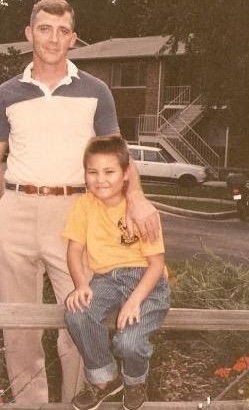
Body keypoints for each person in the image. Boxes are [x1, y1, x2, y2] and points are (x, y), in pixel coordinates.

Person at [0, 0, 160, 404]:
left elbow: (119, 157)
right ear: (30, 33)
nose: (53, 38)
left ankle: (81, 401)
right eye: (45, 28)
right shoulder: (6, 94)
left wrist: (139, 200)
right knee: (19, 327)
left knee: (81, 321)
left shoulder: (96, 91)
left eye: (63, 31)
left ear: (73, 39)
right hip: (17, 210)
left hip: (75, 215)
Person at [64, 136, 170, 410]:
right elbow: (74, 251)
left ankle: (135, 381)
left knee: (129, 342)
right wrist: (79, 285)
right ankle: (104, 380)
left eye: (109, 172)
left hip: (146, 280)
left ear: (126, 174)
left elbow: (156, 265)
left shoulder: (143, 212)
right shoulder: (84, 205)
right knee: (76, 312)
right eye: (93, 172)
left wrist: (135, 300)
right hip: (105, 279)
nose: (100, 179)